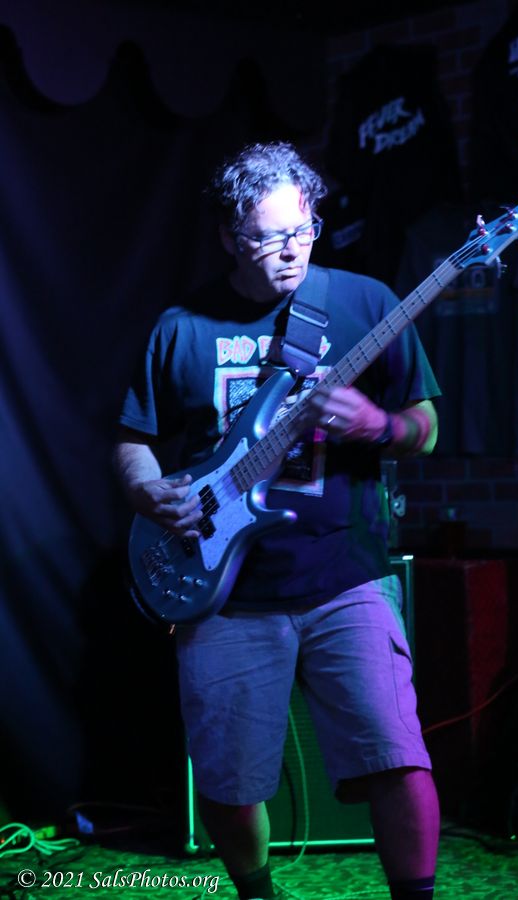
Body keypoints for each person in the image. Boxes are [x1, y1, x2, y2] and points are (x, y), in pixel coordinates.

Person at [115, 142, 441, 900]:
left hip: (346, 573)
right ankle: (258, 893)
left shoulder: (364, 303)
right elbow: (133, 439)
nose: (292, 250)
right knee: (229, 784)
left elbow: (425, 426)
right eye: (269, 237)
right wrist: (147, 492)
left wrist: (379, 425)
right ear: (230, 237)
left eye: (304, 230)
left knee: (397, 757)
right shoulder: (182, 327)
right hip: (222, 591)